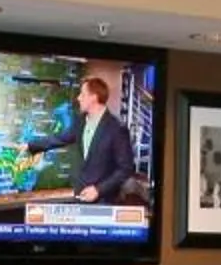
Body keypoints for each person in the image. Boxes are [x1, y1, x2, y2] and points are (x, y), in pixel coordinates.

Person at [18, 74, 145, 206]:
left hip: (104, 201)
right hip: (80, 196)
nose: (78, 98)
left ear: (94, 97)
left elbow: (125, 169)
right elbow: (60, 138)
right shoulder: (80, 122)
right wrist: (30, 145)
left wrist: (99, 190)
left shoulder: (116, 129)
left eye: (82, 94)